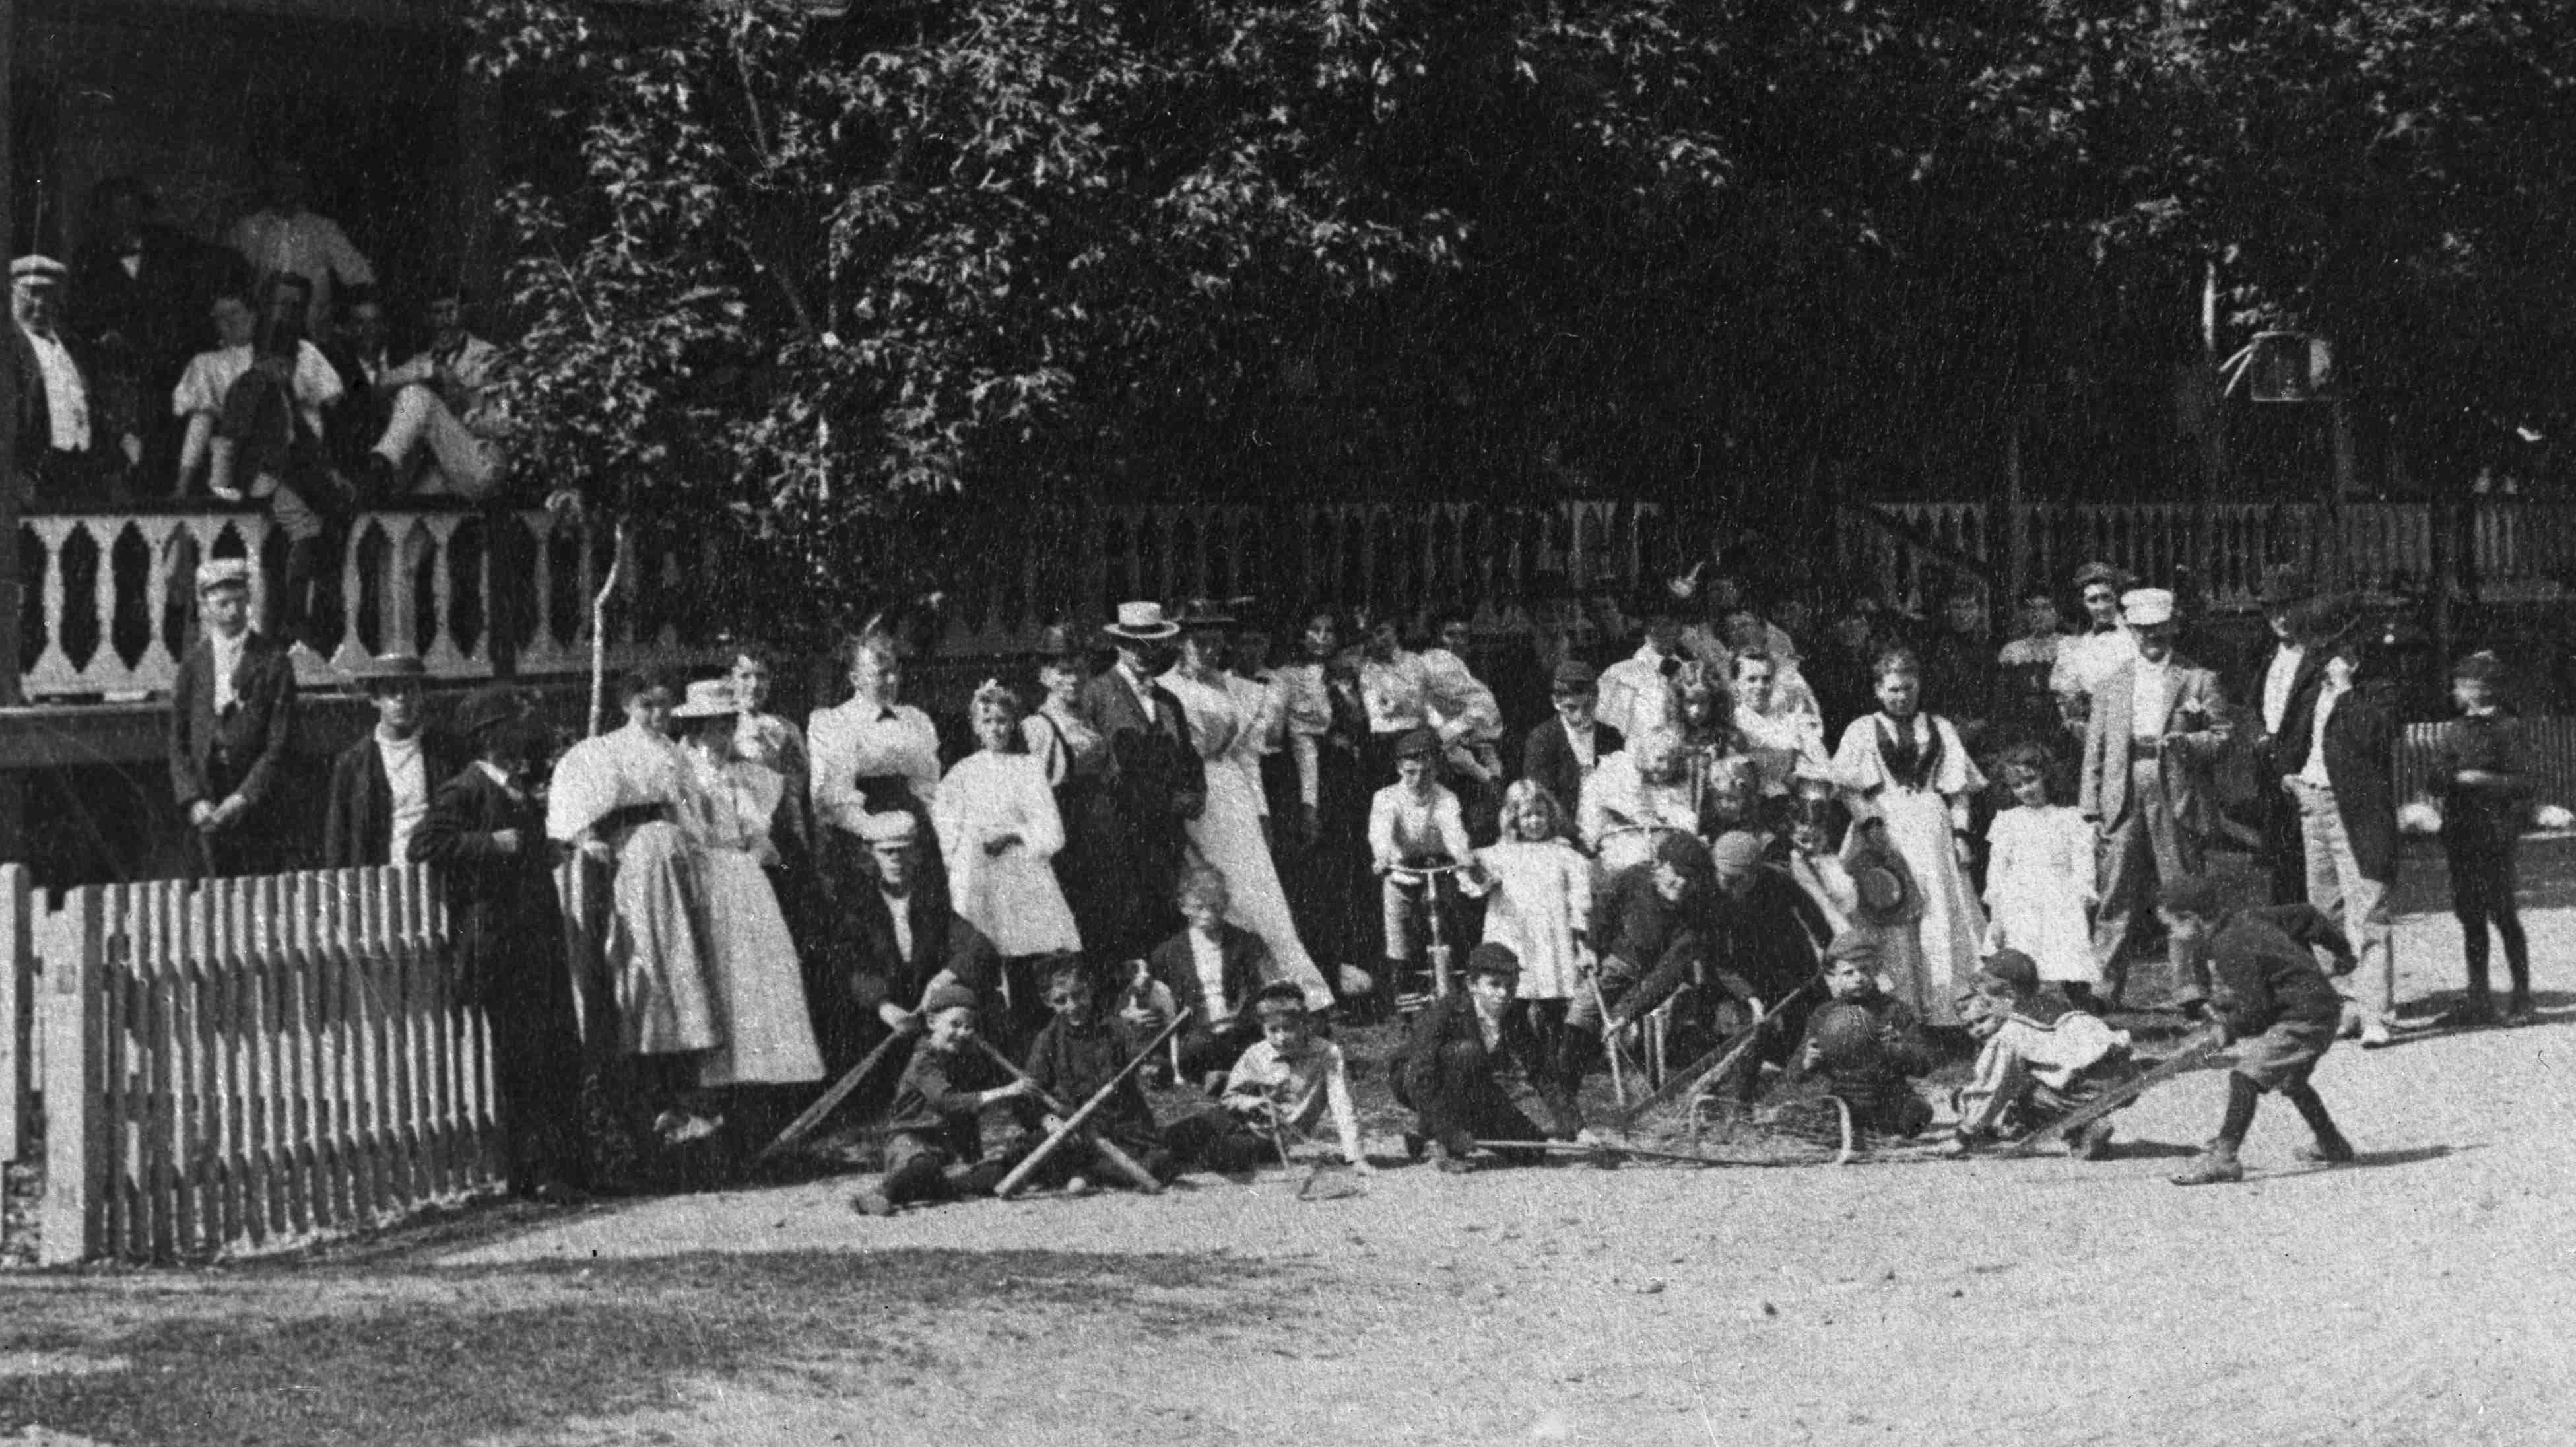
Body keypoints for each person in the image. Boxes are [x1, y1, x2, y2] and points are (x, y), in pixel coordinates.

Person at [407, 692, 590, 1201]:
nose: (523, 741)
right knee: (521, 1058)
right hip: (499, 945)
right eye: (512, 731)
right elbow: (425, 844)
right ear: (490, 737)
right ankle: (530, 1173)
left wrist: (542, 852)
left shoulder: (517, 790)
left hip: (537, 939)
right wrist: (491, 845)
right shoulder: (464, 790)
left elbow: (520, 851)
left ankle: (565, 1169)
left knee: (554, 1050)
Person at [545, 672, 724, 1139]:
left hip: (673, 862)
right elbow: (576, 809)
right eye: (647, 705)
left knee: (682, 960)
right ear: (627, 705)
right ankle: (644, 1085)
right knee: (646, 959)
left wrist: (699, 843)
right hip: (633, 861)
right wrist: (588, 838)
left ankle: (684, 1086)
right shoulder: (602, 752)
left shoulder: (675, 755)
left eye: (665, 705)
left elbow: (691, 809)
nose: (658, 715)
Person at [1161, 607, 1334, 1010]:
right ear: (1180, 643)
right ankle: (1234, 993)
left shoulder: (1231, 686)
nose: (1207, 650)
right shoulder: (1165, 689)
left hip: (1233, 792)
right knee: (1220, 890)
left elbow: (1247, 756)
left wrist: (1261, 810)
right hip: (1194, 793)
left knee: (1262, 892)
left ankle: (1294, 989)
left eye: (1215, 643)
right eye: (1198, 642)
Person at [671, 678, 827, 1092]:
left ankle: (762, 1071)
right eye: (714, 728)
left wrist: (757, 844)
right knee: (719, 967)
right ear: (697, 731)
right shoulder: (686, 776)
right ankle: (719, 1075)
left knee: (758, 969)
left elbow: (757, 832)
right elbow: (689, 831)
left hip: (743, 877)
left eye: (726, 726)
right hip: (707, 873)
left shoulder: (741, 776)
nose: (722, 736)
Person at [2078, 588, 2231, 1007]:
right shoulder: (2112, 684)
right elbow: (2095, 749)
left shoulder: (2198, 679)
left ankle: (2190, 989)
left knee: (2181, 890)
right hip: (2123, 788)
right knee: (2115, 892)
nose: (2152, 637)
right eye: (2143, 630)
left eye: (2160, 629)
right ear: (2130, 630)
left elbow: (2223, 737)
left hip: (2175, 788)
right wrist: (2091, 808)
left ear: (2174, 626)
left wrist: (2190, 742)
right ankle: (2104, 988)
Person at [2159, 875, 2358, 1186]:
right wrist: (2342, 950)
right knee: (2292, 1081)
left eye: (2173, 927)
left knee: (2245, 1076)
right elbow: (2307, 915)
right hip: (2321, 1007)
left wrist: (2228, 1030)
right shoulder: (2247, 918)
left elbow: (2258, 1011)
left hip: (2304, 1017)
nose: (2174, 935)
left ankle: (2223, 1158)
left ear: (2192, 919)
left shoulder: (2229, 946)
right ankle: (2332, 1143)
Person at [1830, 648, 1987, 1026]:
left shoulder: (1940, 727)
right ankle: (1901, 1011)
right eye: (1894, 690)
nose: (1902, 697)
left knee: (1941, 913)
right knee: (1894, 912)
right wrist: (1871, 827)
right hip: (1885, 828)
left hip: (1933, 831)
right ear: (1879, 690)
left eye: (1909, 688)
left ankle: (1949, 1010)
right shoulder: (1862, 729)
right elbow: (1849, 788)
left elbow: (1958, 788)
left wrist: (1962, 835)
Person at [935, 680, 1082, 1044]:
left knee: (1031, 965)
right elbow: (946, 832)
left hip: (1024, 879)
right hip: (980, 880)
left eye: (1003, 721)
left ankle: (1043, 1044)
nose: (996, 728)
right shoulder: (961, 774)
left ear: (1013, 723)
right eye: (988, 721)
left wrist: (1014, 835)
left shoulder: (1028, 768)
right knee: (986, 962)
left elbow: (1053, 833)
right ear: (975, 726)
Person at [2285, 598, 2399, 1048]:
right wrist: (2289, 776)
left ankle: (2375, 1015)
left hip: (2357, 812)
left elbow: (2373, 737)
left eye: (2335, 646)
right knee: (2324, 914)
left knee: (2367, 911)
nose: (2327, 655)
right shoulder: (2313, 684)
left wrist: (2347, 689)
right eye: (2322, 648)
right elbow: (2292, 735)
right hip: (2312, 801)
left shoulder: (2378, 686)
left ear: (2353, 644)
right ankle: (2342, 1008)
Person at [816, 810, 1003, 1080]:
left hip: (927, 1015)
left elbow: (979, 947)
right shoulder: (856, 908)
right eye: (887, 852)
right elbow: (848, 967)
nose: (895, 859)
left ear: (915, 854)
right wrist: (884, 1008)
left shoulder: (931, 903)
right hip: (881, 1020)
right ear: (872, 855)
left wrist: (942, 980)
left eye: (903, 851)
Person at [1078, 602, 1206, 963]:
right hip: (1120, 827)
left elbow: (1189, 758)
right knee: (1125, 916)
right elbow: (1092, 761)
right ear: (1120, 645)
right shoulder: (1098, 693)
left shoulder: (1168, 700)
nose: (1145, 654)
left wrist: (1195, 794)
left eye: (1153, 645)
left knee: (1167, 912)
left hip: (1166, 831)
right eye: (1136, 645)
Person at [849, 982, 1036, 1217]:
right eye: (955, 1024)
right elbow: (948, 1102)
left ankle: (936, 1188)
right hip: (910, 1141)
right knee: (924, 1167)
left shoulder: (964, 1057)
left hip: (944, 1148)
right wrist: (1005, 1091)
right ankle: (880, 1194)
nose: (963, 1033)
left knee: (997, 1171)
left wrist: (1026, 1100)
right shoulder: (924, 1061)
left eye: (969, 1027)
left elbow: (978, 1108)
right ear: (932, 1022)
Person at [1395, 944, 1577, 1172]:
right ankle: (1444, 1141)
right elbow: (1419, 1077)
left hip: (1472, 1085)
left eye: (1511, 986)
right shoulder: (1446, 1011)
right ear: (1472, 985)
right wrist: (1449, 1132)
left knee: (1532, 1151)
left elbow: (1542, 1073)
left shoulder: (1514, 1016)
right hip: (1416, 1081)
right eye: (1494, 985)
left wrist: (1577, 1126)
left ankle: (1424, 1132)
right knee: (1467, 1053)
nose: (1503, 994)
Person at [169, 558, 298, 877]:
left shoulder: (273, 662)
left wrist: (243, 798)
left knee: (258, 889)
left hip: (253, 800)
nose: (232, 611)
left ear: (249, 601)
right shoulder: (194, 664)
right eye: (222, 603)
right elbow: (178, 741)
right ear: (206, 606)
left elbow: (279, 743)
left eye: (239, 601)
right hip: (206, 800)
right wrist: (193, 800)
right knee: (211, 892)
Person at [1943, 949, 2137, 1159]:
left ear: (2009, 996)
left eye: (1990, 1003)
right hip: (2124, 1074)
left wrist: (1964, 1135)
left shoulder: (2012, 1032)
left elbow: (1992, 1087)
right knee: (2050, 1077)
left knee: (2024, 1094)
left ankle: (2082, 1128)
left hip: (2089, 1089)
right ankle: (2085, 1127)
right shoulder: (2059, 1005)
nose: (1989, 1010)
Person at [810, 630, 947, 927]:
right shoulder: (834, 723)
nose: (892, 681)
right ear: (855, 678)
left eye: (895, 671)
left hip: (913, 833)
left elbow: (929, 788)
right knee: (871, 923)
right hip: (861, 835)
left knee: (926, 916)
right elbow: (832, 799)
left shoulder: (915, 720)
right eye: (880, 674)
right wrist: (876, 831)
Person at [1562, 830, 1714, 1091]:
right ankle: (1566, 1083)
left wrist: (1626, 1015)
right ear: (1659, 867)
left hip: (1662, 975)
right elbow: (1602, 913)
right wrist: (1591, 948)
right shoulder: (1631, 879)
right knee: (1584, 1007)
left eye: (1690, 878)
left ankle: (1659, 1087)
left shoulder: (1694, 913)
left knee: (1668, 1016)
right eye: (1676, 874)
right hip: (1622, 959)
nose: (1682, 883)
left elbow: (1668, 973)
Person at [1167, 983, 1369, 1176]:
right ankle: (1156, 1156)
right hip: (1238, 1118)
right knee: (1177, 1135)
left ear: (1306, 1024)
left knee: (1224, 1154)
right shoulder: (1256, 1053)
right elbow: (1229, 1098)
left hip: (1270, 1138)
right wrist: (1253, 1103)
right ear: (1263, 1029)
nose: (1281, 1037)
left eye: (1288, 1028)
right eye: (1273, 1030)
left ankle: (1178, 1162)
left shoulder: (1327, 1054)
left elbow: (1343, 1105)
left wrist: (1356, 1158)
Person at [1018, 958, 1180, 1194]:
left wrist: (1154, 1070)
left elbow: (1151, 1062)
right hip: (1072, 1131)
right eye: (1061, 1001)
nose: (1072, 1006)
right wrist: (1052, 1123)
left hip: (1121, 1128)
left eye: (1078, 995)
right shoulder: (1047, 1040)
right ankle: (1092, 1170)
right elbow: (1029, 1098)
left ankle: (1087, 1173)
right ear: (1048, 1002)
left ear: (1090, 989)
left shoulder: (1116, 1028)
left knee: (1159, 1162)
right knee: (1022, 1151)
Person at [1273, 605, 1373, 984]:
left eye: (1329, 631)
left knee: (1353, 871)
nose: (1321, 638)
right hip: (1312, 782)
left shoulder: (1351, 675)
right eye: (1313, 630)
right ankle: (1321, 965)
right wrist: (1308, 803)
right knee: (1317, 878)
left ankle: (1354, 960)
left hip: (1351, 781)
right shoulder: (1290, 677)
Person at [1476, 780, 1592, 1097]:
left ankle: (1556, 1067)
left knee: (1555, 1002)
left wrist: (1580, 932)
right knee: (1513, 1001)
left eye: (1540, 815)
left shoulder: (1564, 853)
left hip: (1551, 937)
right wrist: (1480, 875)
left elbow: (1579, 894)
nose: (1535, 822)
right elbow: (1475, 879)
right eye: (1527, 816)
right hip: (1514, 933)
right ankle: (1512, 1063)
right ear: (1513, 819)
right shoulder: (1501, 853)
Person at [2435, 650, 2533, 1027]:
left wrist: (2481, 781)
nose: (2456, 690)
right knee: (2470, 916)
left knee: (2504, 914)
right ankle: (2479, 997)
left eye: (2462, 684)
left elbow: (2524, 781)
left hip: (2495, 835)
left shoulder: (2509, 728)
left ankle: (2522, 997)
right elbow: (2436, 776)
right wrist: (2448, 778)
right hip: (2461, 834)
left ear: (2481, 689)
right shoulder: (2455, 730)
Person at [171, 283, 341, 499]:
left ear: (253, 314)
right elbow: (200, 429)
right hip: (250, 462)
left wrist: (330, 467)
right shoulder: (207, 364)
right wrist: (182, 487)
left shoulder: (299, 351)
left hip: (303, 458)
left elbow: (330, 409)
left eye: (235, 313)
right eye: (220, 317)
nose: (230, 322)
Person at [1777, 935, 1938, 1139]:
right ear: (1833, 975)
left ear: (1878, 969)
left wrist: (1897, 1048)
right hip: (1844, 1098)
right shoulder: (1824, 1014)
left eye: (1865, 969)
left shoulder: (1894, 1010)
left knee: (1919, 1111)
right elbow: (1794, 1073)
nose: (1858, 978)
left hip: (1888, 1095)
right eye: (1848, 972)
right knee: (1792, 1116)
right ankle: (1854, 1134)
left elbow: (1925, 1065)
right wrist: (1808, 1062)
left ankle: (1865, 1135)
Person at [1981, 742, 2102, 1013]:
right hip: (2019, 906)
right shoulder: (2007, 821)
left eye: (2031, 780)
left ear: (2047, 775)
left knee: (2068, 967)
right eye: (2017, 785)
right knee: (2022, 969)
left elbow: (2083, 866)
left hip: (2060, 903)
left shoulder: (2070, 818)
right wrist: (1997, 918)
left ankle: (2083, 1021)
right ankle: (2026, 1020)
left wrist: (2081, 902)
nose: (2027, 789)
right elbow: (1997, 873)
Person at [362, 283, 508, 502]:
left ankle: (381, 463)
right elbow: (378, 385)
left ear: (465, 313)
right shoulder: (423, 362)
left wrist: (467, 404)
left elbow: (506, 425)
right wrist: (431, 372)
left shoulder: (489, 357)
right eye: (436, 313)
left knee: (416, 394)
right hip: (443, 468)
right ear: (427, 319)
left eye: (451, 311)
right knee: (406, 523)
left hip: (481, 462)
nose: (444, 321)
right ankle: (384, 468)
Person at [1132, 866, 1273, 1085]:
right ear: (1183, 907)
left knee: (1254, 1045)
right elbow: (1149, 996)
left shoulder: (1245, 944)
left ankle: (1227, 1076)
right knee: (1196, 1046)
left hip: (1239, 1032)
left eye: (1214, 906)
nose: (1207, 914)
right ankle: (1224, 1076)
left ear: (1226, 904)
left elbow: (1261, 991)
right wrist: (1131, 1010)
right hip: (1197, 1038)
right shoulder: (1168, 952)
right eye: (1199, 907)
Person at [1370, 727, 1478, 1007]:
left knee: (1455, 922)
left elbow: (1452, 829)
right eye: (1411, 772)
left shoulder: (1445, 798)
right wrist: (1382, 856)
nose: (1419, 780)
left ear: (1436, 770)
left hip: (1438, 869)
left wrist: (1462, 854)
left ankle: (1460, 988)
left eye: (1426, 772)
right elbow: (1380, 831)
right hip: (1402, 871)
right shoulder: (1386, 798)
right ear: (1399, 769)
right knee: (1399, 934)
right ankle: (1404, 996)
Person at [322, 652, 459, 869]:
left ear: (421, 695)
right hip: (380, 882)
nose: (401, 700)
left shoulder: (443, 753)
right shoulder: (353, 763)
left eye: (409, 690)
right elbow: (338, 839)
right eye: (392, 692)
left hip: (437, 874)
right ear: (375, 699)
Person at [2241, 565, 2325, 905]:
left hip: (2305, 769)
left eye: (2288, 608)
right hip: (2272, 771)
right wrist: (2260, 738)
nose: (2281, 618)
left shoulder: (2319, 658)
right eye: (2272, 610)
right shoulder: (2266, 656)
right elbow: (2250, 709)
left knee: (2312, 868)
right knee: (2282, 867)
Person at [227, 154, 375, 340]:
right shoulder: (248, 228)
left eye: (294, 177)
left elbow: (361, 277)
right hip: (262, 336)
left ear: (303, 184)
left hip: (313, 335)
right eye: (280, 176)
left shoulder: (323, 229)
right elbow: (231, 285)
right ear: (269, 182)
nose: (286, 184)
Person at [9, 255, 109, 506]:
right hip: (32, 474)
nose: (40, 303)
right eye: (30, 292)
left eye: (48, 295)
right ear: (11, 294)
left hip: (79, 469)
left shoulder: (74, 347)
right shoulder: (8, 349)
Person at [1579, 724, 1703, 877]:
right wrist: (1646, 815)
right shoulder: (1622, 766)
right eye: (1660, 759)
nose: (1665, 767)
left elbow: (1684, 819)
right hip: (1619, 844)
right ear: (1645, 753)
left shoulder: (1669, 787)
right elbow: (1618, 803)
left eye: (1672, 762)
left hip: (1655, 848)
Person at [1521, 658, 1620, 829]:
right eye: (1572, 708)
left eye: (1587, 706)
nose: (1580, 716)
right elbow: (1541, 796)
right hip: (1562, 829)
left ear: (1596, 698)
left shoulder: (1611, 736)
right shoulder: (1543, 739)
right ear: (1556, 703)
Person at [2049, 562, 2140, 734]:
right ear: (2083, 604)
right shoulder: (2075, 647)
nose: (2101, 607)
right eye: (2093, 600)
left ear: (2117, 598)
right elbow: (2069, 703)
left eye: (2107, 597)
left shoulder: (2136, 638)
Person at [1731, 648, 1828, 799]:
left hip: (1785, 796)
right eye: (1752, 679)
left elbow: (1811, 759)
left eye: (1766, 679)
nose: (1760, 686)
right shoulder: (1732, 722)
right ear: (1736, 684)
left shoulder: (1787, 718)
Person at [1596, 588, 1684, 740]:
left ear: (1679, 628)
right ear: (1646, 628)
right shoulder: (1621, 673)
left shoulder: (1689, 669)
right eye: (1656, 624)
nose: (1664, 631)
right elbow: (1607, 729)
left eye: (1670, 624)